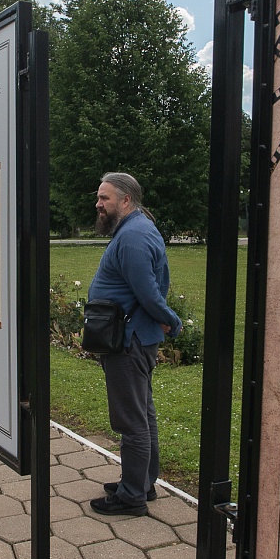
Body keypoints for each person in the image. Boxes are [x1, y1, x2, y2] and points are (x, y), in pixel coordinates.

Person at [87, 172, 181, 516]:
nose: (98, 204)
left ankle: (131, 497)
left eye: (105, 198)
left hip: (129, 342)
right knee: (142, 414)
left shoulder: (133, 236)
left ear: (126, 200)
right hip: (132, 337)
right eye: (99, 197)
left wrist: (170, 319)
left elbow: (148, 292)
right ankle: (141, 483)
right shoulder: (134, 229)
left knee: (132, 421)